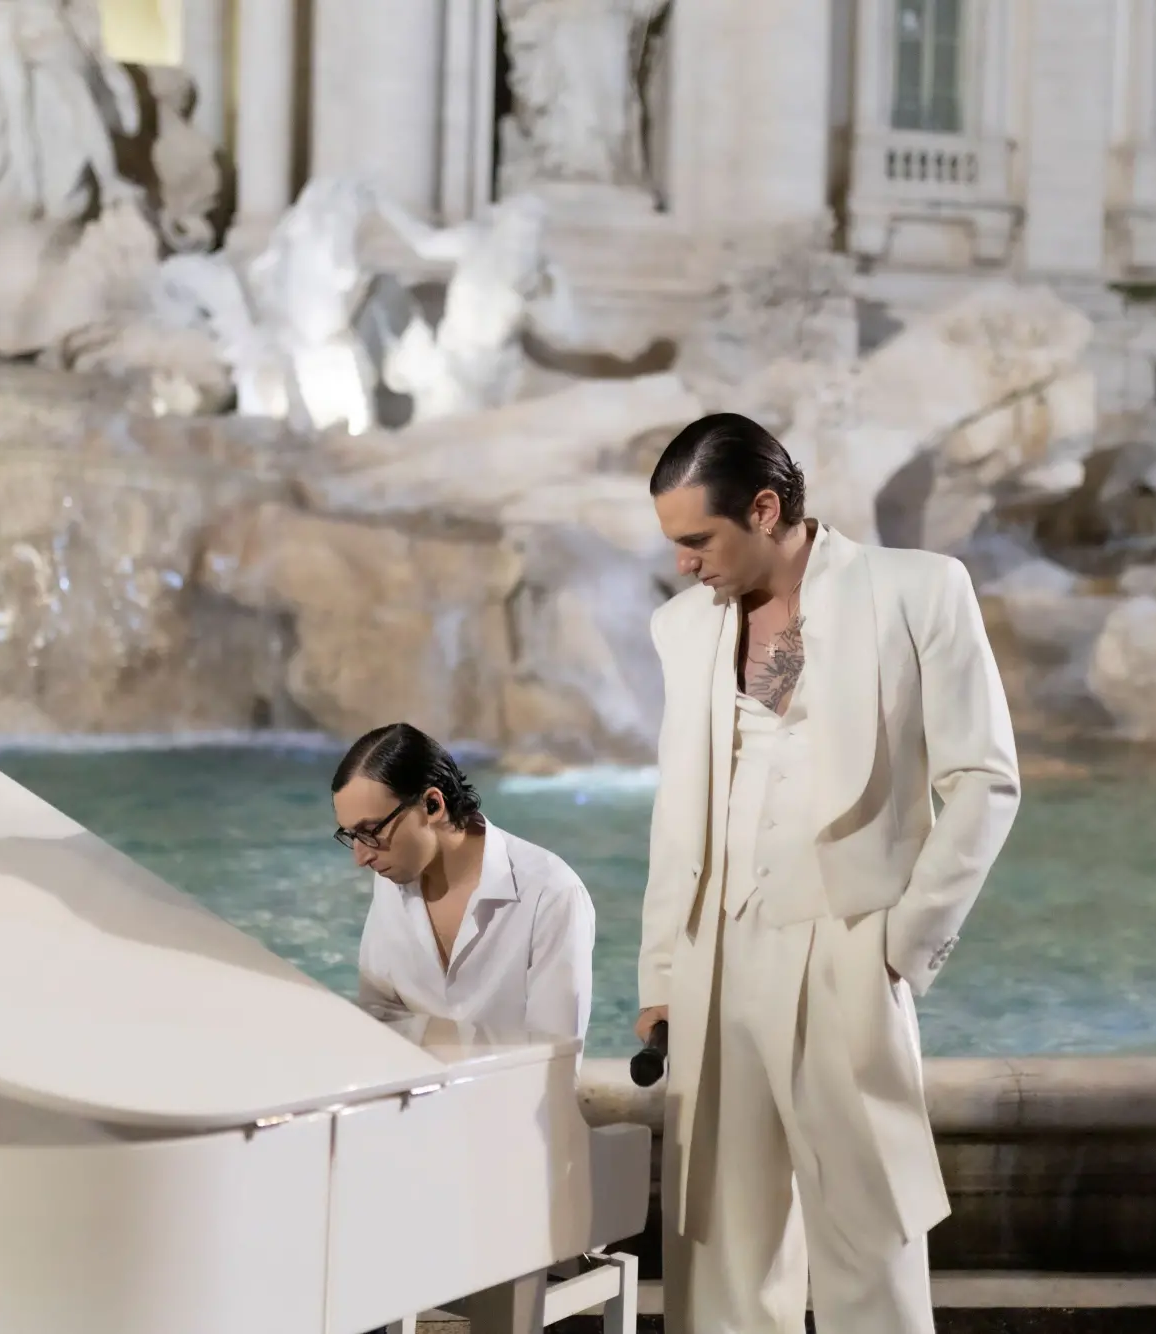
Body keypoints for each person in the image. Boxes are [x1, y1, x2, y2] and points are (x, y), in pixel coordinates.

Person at [635, 413, 1020, 1334]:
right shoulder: (680, 628)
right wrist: (659, 974)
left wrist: (902, 943)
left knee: (869, 1239)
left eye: (698, 539)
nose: (684, 562)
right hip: (715, 957)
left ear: (765, 509)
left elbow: (985, 781)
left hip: (846, 947)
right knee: (718, 1249)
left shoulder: (918, 589)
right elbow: (676, 809)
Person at [332, 722, 596, 1045]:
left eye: (370, 831)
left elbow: (556, 1063)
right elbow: (378, 1017)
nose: (361, 857)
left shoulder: (551, 896)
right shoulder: (390, 880)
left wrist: (436, 1040)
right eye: (351, 836)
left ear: (432, 805)